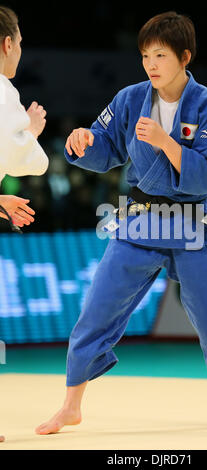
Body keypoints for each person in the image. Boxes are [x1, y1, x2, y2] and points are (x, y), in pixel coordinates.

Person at [36, 12, 207, 435]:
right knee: (98, 309)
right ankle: (71, 404)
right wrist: (83, 142)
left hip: (194, 222)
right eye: (146, 54)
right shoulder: (130, 99)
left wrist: (166, 142)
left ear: (185, 57)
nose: (151, 63)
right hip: (141, 220)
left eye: (161, 54)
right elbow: (105, 146)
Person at [0, 5, 49, 441]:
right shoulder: (2, 90)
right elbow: (22, 158)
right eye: (20, 41)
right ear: (7, 43)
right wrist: (32, 130)